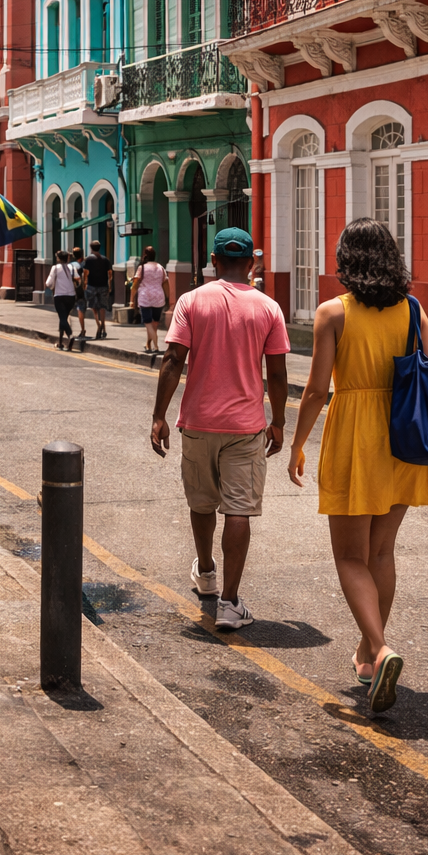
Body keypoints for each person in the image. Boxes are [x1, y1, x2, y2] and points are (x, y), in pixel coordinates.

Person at [287, 218, 428, 712]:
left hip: (356, 434)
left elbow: (315, 389)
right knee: (381, 553)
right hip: (405, 438)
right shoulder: (415, 311)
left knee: (350, 557)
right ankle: (369, 653)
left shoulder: (334, 313)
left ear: (345, 260)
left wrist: (297, 443)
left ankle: (382, 646)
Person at [150, 228, 289, 630]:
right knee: (239, 510)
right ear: (250, 264)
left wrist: (159, 415)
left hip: (197, 421)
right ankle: (230, 602)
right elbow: (277, 374)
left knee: (201, 502)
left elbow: (173, 359)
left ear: (213, 260)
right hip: (245, 426)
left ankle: (207, 572)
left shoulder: (191, 301)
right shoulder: (268, 308)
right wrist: (278, 422)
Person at [131, 245, 167, 353]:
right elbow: (165, 283)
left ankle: (155, 346)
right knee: (154, 324)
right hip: (159, 298)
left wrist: (132, 299)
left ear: (145, 255)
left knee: (147, 323)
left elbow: (135, 284)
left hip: (145, 298)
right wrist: (170, 299)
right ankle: (148, 344)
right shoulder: (160, 267)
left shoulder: (142, 268)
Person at [45, 250, 79, 350]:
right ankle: (60, 343)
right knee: (63, 317)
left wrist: (51, 286)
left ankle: (70, 335)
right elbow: (77, 278)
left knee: (63, 318)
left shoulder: (55, 268)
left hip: (59, 296)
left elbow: (48, 283)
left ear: (59, 258)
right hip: (71, 296)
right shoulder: (72, 267)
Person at [82, 240, 114, 339]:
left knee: (94, 307)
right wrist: (109, 285)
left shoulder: (88, 260)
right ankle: (103, 326)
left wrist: (84, 284)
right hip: (103, 285)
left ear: (91, 248)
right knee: (102, 307)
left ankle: (98, 325)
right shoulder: (106, 260)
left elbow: (86, 273)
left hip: (91, 286)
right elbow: (110, 274)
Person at [70, 245, 88, 338]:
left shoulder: (72, 265)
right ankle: (83, 329)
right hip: (86, 288)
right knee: (82, 309)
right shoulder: (86, 264)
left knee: (73, 309)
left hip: (75, 289)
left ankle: (79, 329)